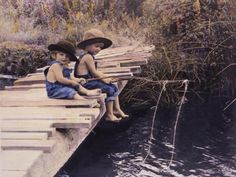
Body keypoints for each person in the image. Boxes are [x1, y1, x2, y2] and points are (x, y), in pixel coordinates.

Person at [74, 29, 129, 122]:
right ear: (87, 46)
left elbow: (96, 72)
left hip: (89, 81)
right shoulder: (87, 57)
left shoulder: (89, 56)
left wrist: (107, 77)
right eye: (96, 46)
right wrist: (105, 79)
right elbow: (94, 72)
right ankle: (109, 114)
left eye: (100, 47)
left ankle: (117, 109)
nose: (98, 49)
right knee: (109, 89)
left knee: (114, 87)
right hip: (84, 84)